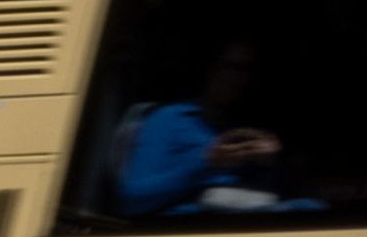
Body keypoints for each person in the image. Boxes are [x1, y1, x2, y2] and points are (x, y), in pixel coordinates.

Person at [111, 43, 303, 218]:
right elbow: (131, 200)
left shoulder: (247, 129)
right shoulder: (170, 119)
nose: (240, 80)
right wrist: (207, 162)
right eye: (233, 67)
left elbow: (273, 196)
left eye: (248, 71)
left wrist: (270, 164)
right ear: (210, 68)